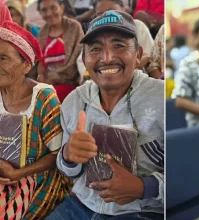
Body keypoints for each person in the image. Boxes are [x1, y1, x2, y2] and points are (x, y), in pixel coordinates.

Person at [47, 10, 164, 219]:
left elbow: (187, 173)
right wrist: (67, 157)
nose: (107, 58)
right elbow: (66, 170)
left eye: (119, 45)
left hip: (141, 211)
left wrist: (145, 187)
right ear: (84, 59)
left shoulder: (160, 97)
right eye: (95, 49)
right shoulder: (74, 101)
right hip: (80, 205)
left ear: (138, 55)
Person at [0, 21, 70, 220]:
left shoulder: (43, 98)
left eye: (3, 58)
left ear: (26, 65)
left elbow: (57, 155)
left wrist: (18, 174)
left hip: (38, 179)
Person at [37, 0, 84, 102]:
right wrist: (41, 77)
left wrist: (52, 79)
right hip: (46, 85)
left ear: (62, 8)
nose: (49, 13)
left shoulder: (74, 27)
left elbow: (77, 58)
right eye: (44, 10)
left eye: (53, 7)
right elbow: (40, 62)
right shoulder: (42, 33)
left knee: (48, 98)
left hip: (69, 83)